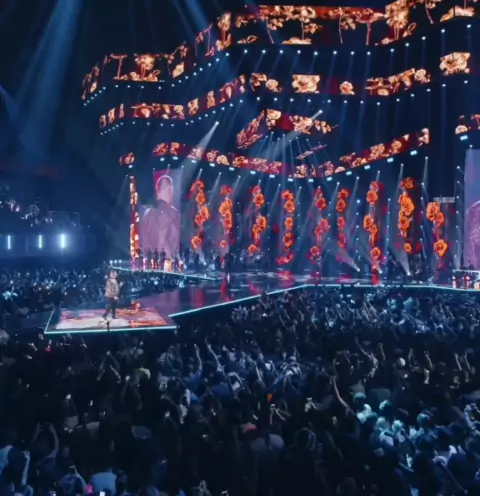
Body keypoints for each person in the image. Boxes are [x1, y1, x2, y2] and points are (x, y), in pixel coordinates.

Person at [141, 175, 180, 259]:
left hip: (167, 258)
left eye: (171, 190)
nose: (170, 193)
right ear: (158, 192)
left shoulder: (174, 213)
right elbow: (144, 241)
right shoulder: (149, 214)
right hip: (154, 259)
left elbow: (175, 241)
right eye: (167, 189)